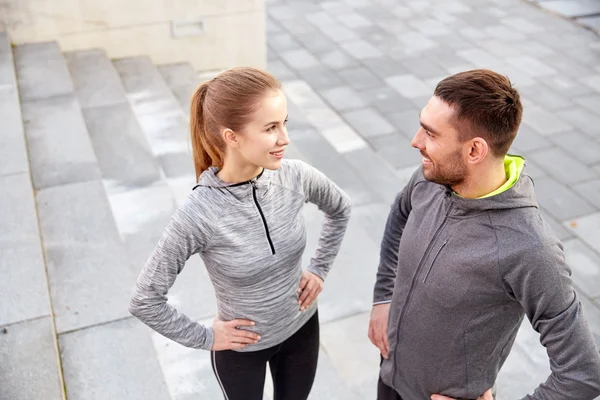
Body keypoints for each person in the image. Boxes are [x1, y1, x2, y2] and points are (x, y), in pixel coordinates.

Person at [368, 69, 600, 400]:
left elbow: (583, 373)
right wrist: (383, 296)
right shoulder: (431, 177)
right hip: (390, 376)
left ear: (475, 150)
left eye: (431, 134)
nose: (416, 141)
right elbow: (399, 215)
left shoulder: (530, 249)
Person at [129, 67, 351, 400]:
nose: (285, 138)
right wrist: (206, 337)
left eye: (284, 123)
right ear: (232, 137)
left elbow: (340, 208)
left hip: (301, 329)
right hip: (241, 352)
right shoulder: (199, 213)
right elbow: (145, 300)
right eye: (271, 128)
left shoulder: (295, 177)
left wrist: (319, 269)